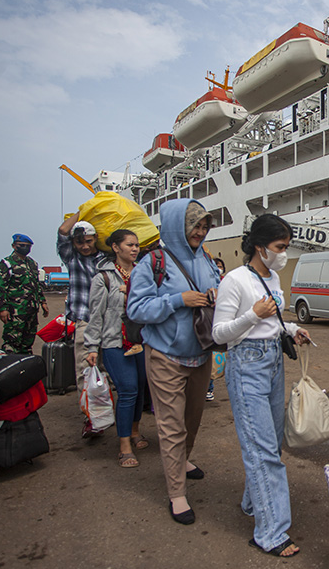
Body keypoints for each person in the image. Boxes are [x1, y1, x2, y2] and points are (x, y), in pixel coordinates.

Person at [212, 214, 311, 558]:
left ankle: (254, 503)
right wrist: (253, 314)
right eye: (279, 247)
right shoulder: (234, 280)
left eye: (286, 247)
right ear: (260, 246)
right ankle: (270, 532)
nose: (284, 253)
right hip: (247, 366)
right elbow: (219, 334)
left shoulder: (273, 276)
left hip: (272, 362)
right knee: (263, 449)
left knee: (270, 442)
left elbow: (273, 324)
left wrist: (291, 331)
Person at [126, 199, 220, 525]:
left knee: (192, 421)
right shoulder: (152, 263)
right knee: (171, 426)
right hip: (165, 355)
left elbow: (218, 291)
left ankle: (182, 461)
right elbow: (136, 310)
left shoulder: (207, 260)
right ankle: (177, 493)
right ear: (176, 225)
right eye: (194, 225)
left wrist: (217, 296)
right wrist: (178, 300)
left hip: (201, 353)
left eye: (205, 225)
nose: (200, 231)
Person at [84, 229, 148, 468]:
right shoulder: (104, 278)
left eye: (137, 245)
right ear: (116, 248)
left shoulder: (144, 274)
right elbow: (96, 315)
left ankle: (134, 430)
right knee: (128, 390)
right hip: (114, 343)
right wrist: (92, 346)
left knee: (141, 389)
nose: (134, 249)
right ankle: (124, 446)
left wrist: (132, 292)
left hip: (141, 342)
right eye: (129, 245)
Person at [57, 215, 106, 388]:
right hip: (85, 319)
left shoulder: (106, 258)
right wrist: (83, 211)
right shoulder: (71, 258)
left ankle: (105, 408)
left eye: (88, 241)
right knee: (85, 369)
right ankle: (90, 412)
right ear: (73, 243)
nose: (85, 246)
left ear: (96, 239)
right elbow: (63, 231)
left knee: (105, 368)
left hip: (108, 320)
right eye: (79, 243)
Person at [0, 233, 48, 354]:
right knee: (12, 341)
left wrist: (43, 302)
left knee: (28, 341)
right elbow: (1, 288)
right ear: (14, 246)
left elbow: (36, 285)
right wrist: (3, 309)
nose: (25, 248)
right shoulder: (6, 264)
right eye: (22, 245)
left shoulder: (32, 264)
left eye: (28, 246)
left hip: (31, 310)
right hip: (15, 311)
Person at [207, 257, 227, 401]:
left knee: (213, 358)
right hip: (207, 322)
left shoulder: (225, 281)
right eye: (216, 266)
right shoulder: (208, 282)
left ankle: (209, 387)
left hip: (216, 323)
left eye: (220, 266)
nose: (218, 268)